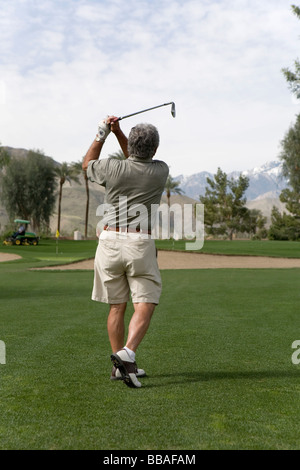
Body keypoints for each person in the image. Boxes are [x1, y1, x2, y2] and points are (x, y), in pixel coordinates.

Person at [82, 116, 169, 388]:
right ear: (154, 150)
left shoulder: (112, 168)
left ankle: (120, 367)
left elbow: (87, 164)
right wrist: (120, 134)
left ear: (130, 146)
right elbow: (136, 156)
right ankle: (127, 353)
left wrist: (103, 133)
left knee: (117, 307)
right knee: (146, 301)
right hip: (138, 243)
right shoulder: (160, 170)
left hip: (108, 240)